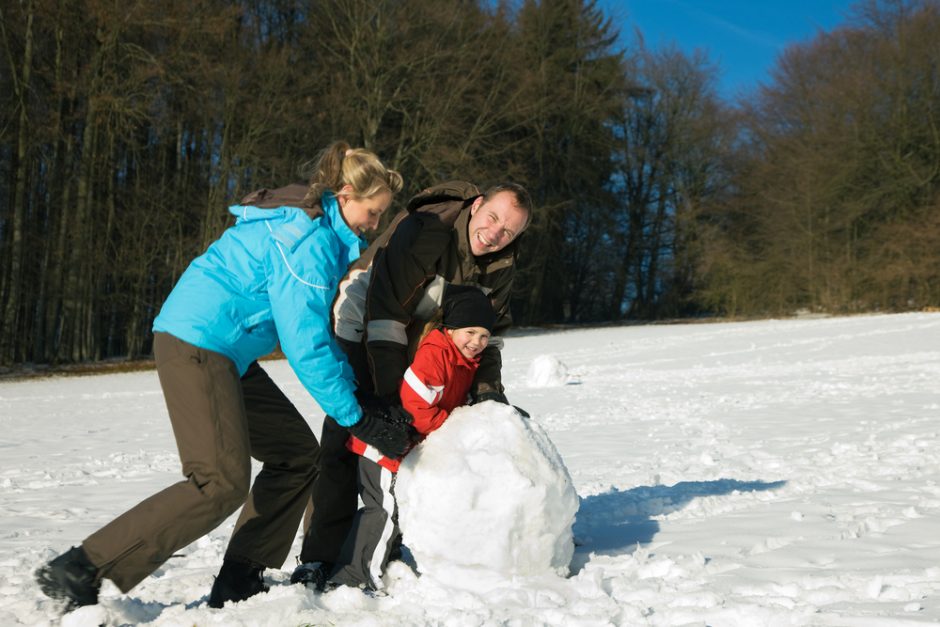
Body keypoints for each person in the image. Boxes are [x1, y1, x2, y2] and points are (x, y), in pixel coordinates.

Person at [33, 141, 414, 611]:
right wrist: (356, 414)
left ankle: (239, 577)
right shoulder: (309, 241)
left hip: (226, 350)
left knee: (296, 456)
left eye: (380, 216)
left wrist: (356, 398)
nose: (374, 225)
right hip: (198, 342)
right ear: (344, 195)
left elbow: (315, 332)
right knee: (217, 480)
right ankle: (84, 567)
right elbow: (304, 342)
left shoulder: (322, 235)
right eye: (372, 213)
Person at [292, 180, 532, 586]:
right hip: (362, 323)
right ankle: (319, 556)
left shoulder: (502, 264)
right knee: (350, 437)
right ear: (476, 206)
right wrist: (390, 401)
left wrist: (489, 397)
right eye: (493, 218)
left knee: (416, 438)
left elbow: (488, 339)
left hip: (424, 340)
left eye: (508, 231)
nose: (495, 235)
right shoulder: (428, 230)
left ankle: (390, 539)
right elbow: (385, 313)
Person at [325, 285, 497, 592]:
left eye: (484, 335)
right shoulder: (436, 355)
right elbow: (415, 409)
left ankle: (385, 560)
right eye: (470, 332)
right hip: (383, 446)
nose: (477, 342)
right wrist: (454, 425)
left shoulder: (463, 361)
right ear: (451, 328)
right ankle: (352, 579)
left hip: (404, 449)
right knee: (382, 509)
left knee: (397, 508)